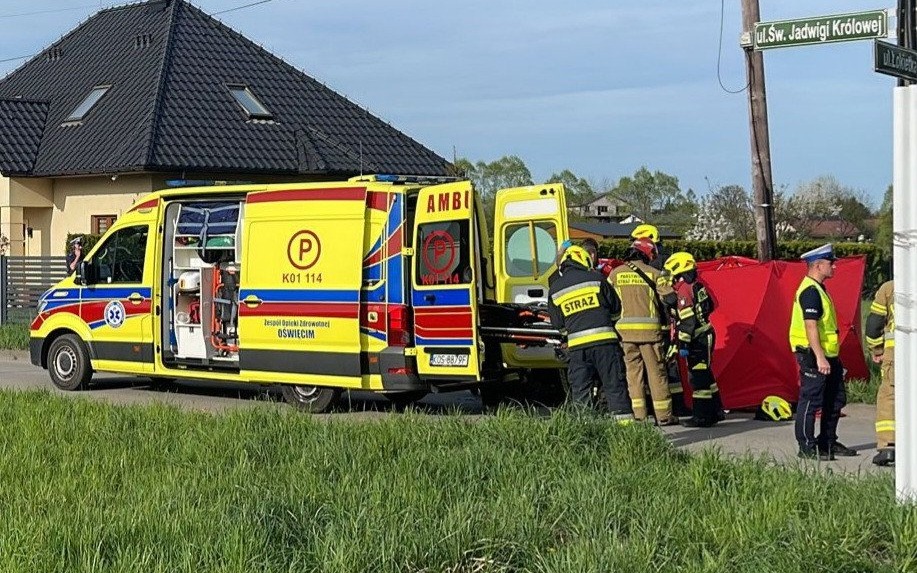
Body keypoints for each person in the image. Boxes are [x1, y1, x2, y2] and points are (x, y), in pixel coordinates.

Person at [789, 243, 857, 460]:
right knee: (811, 400)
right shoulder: (810, 291)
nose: (834, 267)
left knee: (836, 398)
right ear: (817, 265)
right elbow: (811, 326)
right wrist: (819, 357)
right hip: (812, 354)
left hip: (828, 354)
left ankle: (827, 442)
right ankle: (806, 446)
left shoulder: (819, 289)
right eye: (830, 263)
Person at [547, 245, 631, 418]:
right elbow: (616, 309)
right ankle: (625, 428)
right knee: (614, 386)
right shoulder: (597, 279)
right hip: (606, 345)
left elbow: (558, 325)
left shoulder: (555, 289)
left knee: (581, 390)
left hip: (577, 350)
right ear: (583, 260)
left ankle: (586, 428)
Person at [608, 237, 677, 425]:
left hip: (624, 335)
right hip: (650, 335)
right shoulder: (655, 274)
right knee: (656, 374)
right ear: (648, 254)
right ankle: (664, 416)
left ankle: (639, 416)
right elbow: (670, 299)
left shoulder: (614, 274)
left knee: (633, 375)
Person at [664, 252, 725, 427]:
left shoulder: (684, 289)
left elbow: (688, 320)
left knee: (698, 378)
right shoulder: (697, 285)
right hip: (705, 333)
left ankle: (702, 417)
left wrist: (683, 343)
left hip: (697, 339)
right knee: (706, 375)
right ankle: (716, 411)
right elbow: (711, 306)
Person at [866, 280, 895, 466]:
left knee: (889, 397)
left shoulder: (890, 288)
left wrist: (876, 349)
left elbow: (874, 324)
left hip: (897, 354)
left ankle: (888, 446)